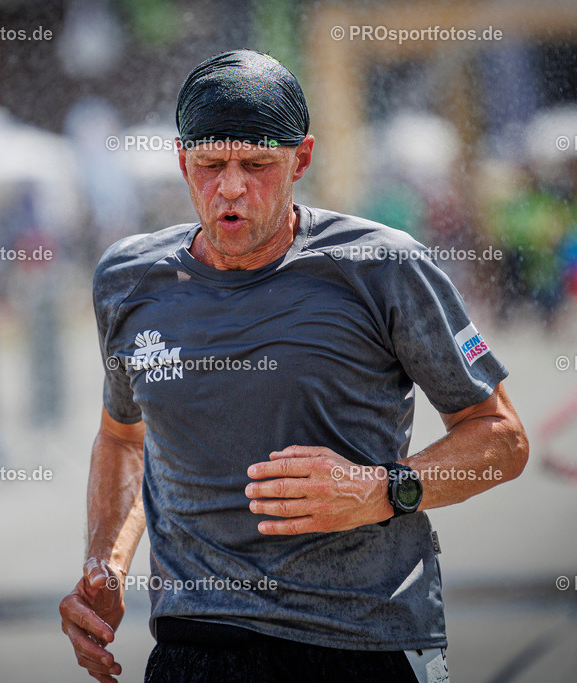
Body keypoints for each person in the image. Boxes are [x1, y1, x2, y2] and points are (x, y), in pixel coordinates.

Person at [59, 50, 529, 682]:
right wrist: (105, 565)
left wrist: (380, 490)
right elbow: (124, 437)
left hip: (362, 642)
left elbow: (502, 439)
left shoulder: (382, 267)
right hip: (196, 643)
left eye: (256, 165)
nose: (230, 187)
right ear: (181, 160)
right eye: (209, 165)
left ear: (301, 159)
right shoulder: (129, 278)